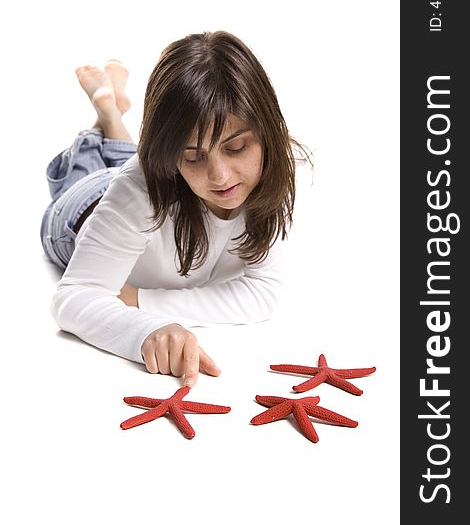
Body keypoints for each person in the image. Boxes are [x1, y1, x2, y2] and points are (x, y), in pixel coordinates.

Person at [41, 30, 310, 389]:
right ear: (173, 156)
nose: (220, 176)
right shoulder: (139, 190)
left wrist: (141, 299)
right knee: (79, 174)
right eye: (193, 156)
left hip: (141, 182)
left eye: (236, 147)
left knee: (127, 162)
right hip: (79, 215)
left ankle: (111, 111)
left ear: (266, 133)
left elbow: (263, 294)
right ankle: (106, 116)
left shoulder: (275, 165)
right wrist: (146, 330)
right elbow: (73, 296)